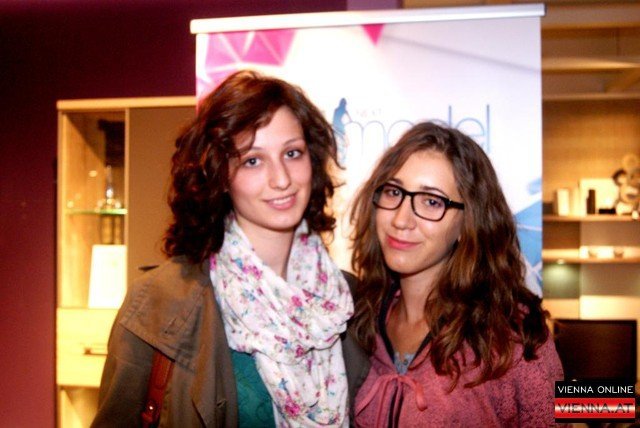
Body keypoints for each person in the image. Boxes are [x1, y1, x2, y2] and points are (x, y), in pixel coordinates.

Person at [92, 70, 369, 428]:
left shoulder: (350, 299)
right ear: (219, 174)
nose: (281, 179)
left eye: (292, 153)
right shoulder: (158, 303)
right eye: (253, 160)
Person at [349, 122, 563, 427]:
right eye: (394, 192)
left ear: (467, 222)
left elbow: (575, 412)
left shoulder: (511, 334)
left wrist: (618, 403)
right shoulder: (356, 319)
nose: (401, 219)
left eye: (431, 201)